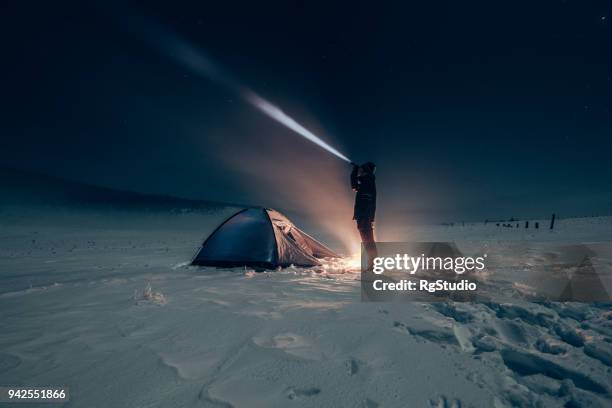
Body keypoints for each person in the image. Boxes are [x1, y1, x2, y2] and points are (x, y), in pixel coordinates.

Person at [351, 162, 378, 270]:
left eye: (362, 170)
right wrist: (355, 170)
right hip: (364, 216)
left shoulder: (368, 181)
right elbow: (354, 186)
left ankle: (373, 265)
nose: (360, 172)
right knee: (368, 240)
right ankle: (373, 264)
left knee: (368, 240)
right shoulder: (368, 181)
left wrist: (356, 170)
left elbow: (354, 186)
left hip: (364, 215)